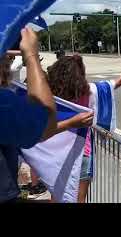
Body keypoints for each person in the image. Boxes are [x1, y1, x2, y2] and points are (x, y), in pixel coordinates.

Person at [47, 52, 121, 203]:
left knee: (57, 194)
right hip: (83, 152)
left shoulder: (52, 96)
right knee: (80, 199)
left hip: (57, 151)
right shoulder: (90, 91)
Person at [0, 28, 93, 203]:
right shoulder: (4, 102)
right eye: (7, 58)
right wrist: (31, 56)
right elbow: (44, 121)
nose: (9, 62)